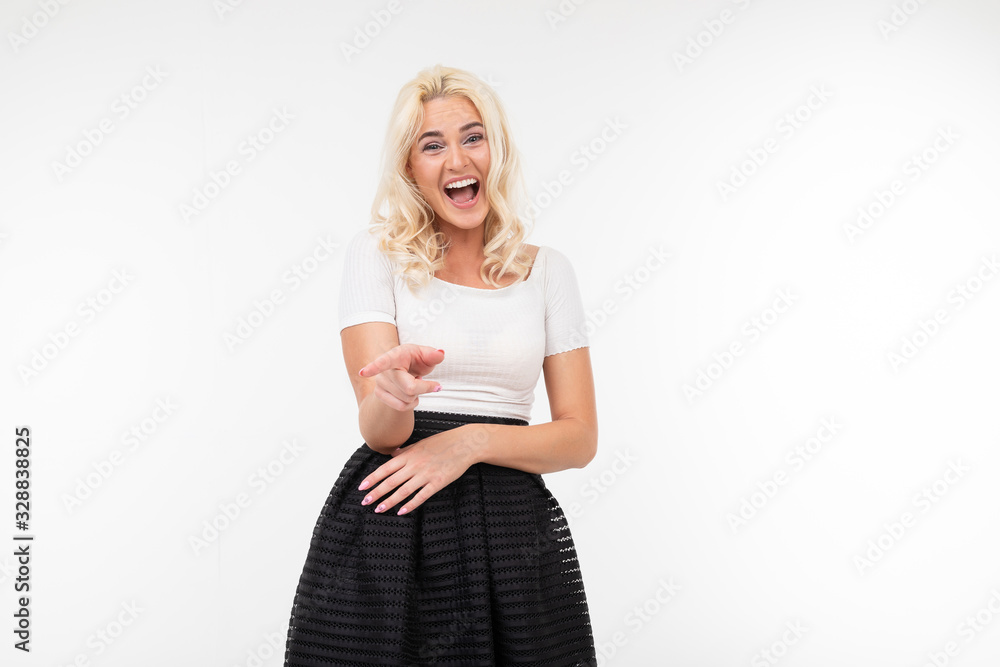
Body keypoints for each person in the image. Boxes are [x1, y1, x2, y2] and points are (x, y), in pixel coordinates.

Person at [283, 64, 598, 666]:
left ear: (495, 151)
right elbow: (379, 432)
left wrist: (469, 442)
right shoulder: (377, 254)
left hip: (513, 533)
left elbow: (580, 438)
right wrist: (395, 393)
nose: (458, 159)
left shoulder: (548, 271)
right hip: (395, 525)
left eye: (473, 137)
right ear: (410, 168)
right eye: (433, 145)